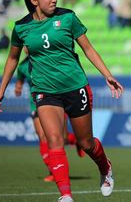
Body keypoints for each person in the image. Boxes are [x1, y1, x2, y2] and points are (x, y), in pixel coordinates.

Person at [0, 0, 124, 202]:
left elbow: (88, 48)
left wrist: (107, 74)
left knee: (85, 143)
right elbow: (13, 58)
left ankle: (105, 166)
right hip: (45, 91)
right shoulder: (21, 27)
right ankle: (66, 196)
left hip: (75, 87)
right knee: (53, 139)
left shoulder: (67, 17)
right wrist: (1, 90)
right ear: (34, 1)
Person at [14, 49, 86, 182]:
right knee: (43, 136)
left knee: (60, 139)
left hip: (56, 101)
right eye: (24, 46)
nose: (26, 48)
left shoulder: (47, 59)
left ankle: (74, 140)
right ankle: (53, 170)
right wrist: (18, 88)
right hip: (36, 103)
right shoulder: (23, 66)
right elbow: (19, 82)